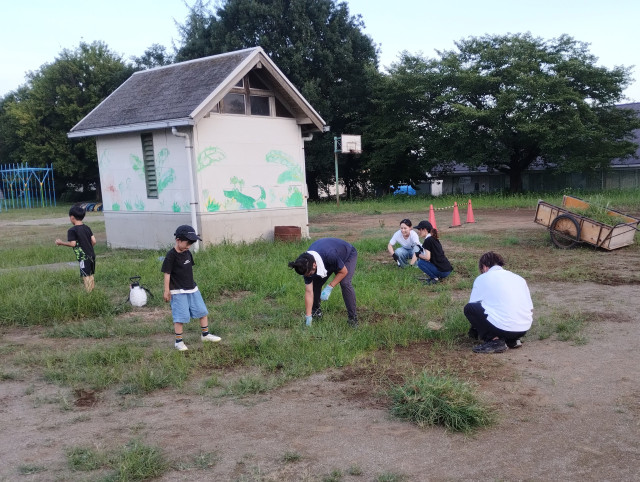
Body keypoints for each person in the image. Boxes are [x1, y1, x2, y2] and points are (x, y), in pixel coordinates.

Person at [161, 225, 221, 351]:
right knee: (180, 317)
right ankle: (179, 342)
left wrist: (191, 285)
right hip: (178, 291)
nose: (189, 246)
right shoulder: (171, 256)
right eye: (187, 243)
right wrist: (167, 290)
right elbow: (167, 273)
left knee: (202, 312)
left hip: (192, 289)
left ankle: (205, 335)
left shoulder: (188, 253)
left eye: (191, 244)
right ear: (178, 240)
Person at [464, 251, 533, 354]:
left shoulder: (483, 278)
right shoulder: (519, 278)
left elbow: (474, 304)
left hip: (504, 328)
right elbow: (530, 307)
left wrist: (476, 330)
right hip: (523, 329)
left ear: (484, 267)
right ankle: (512, 340)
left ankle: (495, 341)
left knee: (470, 308)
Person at [288, 237, 358, 327]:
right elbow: (309, 291)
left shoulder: (330, 255)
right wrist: (308, 315)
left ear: (314, 265)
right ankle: (316, 313)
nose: (308, 276)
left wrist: (330, 287)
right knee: (315, 283)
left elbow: (343, 272)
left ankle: (353, 319)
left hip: (347, 255)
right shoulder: (305, 264)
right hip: (327, 259)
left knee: (345, 283)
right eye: (306, 275)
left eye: (310, 273)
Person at [55, 205, 97, 292]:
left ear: (72, 217)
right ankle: (92, 291)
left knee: (85, 275)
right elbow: (94, 241)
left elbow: (73, 244)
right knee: (90, 274)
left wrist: (61, 243)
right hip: (91, 254)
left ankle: (89, 293)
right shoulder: (87, 228)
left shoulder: (72, 230)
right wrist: (88, 247)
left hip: (83, 257)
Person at [414, 220, 453, 284]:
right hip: (447, 269)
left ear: (425, 230)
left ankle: (434, 278)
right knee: (423, 260)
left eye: (419, 229)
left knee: (420, 263)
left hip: (442, 272)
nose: (418, 232)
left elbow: (427, 258)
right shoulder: (433, 238)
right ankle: (436, 275)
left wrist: (418, 255)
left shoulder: (428, 240)